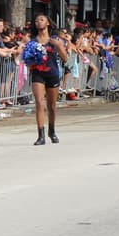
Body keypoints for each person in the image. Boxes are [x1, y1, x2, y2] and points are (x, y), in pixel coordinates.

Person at [24, 14, 70, 144]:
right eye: (36, 20)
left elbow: (65, 58)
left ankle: (52, 130)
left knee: (52, 106)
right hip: (38, 73)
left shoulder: (54, 40)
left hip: (52, 73)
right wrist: (31, 61)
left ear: (48, 23)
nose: (38, 22)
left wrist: (59, 46)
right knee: (39, 102)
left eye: (41, 20)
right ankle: (41, 135)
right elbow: (27, 60)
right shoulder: (32, 41)